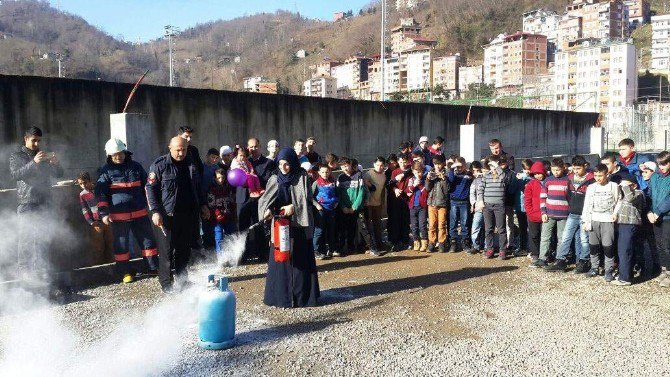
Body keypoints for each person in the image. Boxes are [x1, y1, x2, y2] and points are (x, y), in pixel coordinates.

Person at [147, 136, 210, 293]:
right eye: (178, 150)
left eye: (184, 149)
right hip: (167, 215)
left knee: (184, 250)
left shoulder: (191, 164)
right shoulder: (159, 165)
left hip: (188, 214)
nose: (181, 153)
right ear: (170, 148)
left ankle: (182, 280)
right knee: (167, 251)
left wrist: (203, 205)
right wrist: (155, 211)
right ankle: (166, 284)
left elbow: (198, 187)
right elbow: (150, 190)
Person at [258, 147, 320, 308]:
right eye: (280, 164)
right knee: (280, 261)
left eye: (287, 164)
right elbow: (264, 201)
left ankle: (302, 298)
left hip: (298, 227)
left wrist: (294, 207)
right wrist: (267, 211)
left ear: (293, 163)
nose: (283, 167)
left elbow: (307, 201)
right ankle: (279, 297)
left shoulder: (302, 178)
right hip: (280, 228)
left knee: (300, 262)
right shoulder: (274, 179)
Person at [9, 126, 66, 299]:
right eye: (34, 140)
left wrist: (56, 164)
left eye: (39, 140)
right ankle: (24, 282)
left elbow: (59, 174)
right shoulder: (16, 156)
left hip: (45, 204)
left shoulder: (42, 155)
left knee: (43, 242)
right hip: (27, 203)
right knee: (25, 242)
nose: (36, 143)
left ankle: (45, 281)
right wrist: (34, 163)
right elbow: (15, 175)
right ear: (25, 138)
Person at [96, 138, 159, 284]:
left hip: (139, 213)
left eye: (120, 153)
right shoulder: (105, 171)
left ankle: (152, 267)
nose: (118, 157)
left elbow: (147, 187)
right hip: (119, 217)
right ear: (109, 156)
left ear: (125, 152)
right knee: (121, 247)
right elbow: (101, 194)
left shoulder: (136, 167)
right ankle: (125, 273)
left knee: (148, 242)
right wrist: (104, 214)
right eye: (115, 155)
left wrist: (153, 207)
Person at [545, 156, 594, 273]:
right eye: (574, 168)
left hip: (585, 215)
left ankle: (583, 261)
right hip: (572, 213)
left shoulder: (591, 179)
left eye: (578, 168)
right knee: (566, 237)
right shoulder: (570, 178)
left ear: (585, 166)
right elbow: (568, 194)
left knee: (583, 239)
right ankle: (561, 261)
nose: (576, 171)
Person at [236, 138, 277, 261]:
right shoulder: (242, 161)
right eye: (250, 147)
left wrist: (252, 179)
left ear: (260, 147)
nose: (253, 149)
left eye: (255, 146)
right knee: (242, 228)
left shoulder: (268, 163)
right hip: (243, 198)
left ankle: (262, 255)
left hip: (259, 199)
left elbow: (268, 181)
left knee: (259, 226)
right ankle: (242, 256)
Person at [582, 163, 621, 281]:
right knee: (593, 246)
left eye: (600, 175)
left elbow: (618, 200)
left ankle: (608, 269)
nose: (598, 178)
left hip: (607, 220)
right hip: (594, 219)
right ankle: (594, 267)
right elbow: (587, 204)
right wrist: (586, 221)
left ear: (607, 174)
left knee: (608, 246)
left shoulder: (613, 186)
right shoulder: (591, 187)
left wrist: (615, 213)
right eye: (595, 175)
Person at [533, 158, 570, 268]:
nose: (556, 172)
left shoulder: (568, 180)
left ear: (563, 168)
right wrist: (543, 212)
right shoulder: (547, 181)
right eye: (554, 170)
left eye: (558, 170)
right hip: (549, 214)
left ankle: (559, 258)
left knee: (562, 238)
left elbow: (570, 197)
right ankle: (542, 258)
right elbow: (543, 197)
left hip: (563, 214)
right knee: (545, 236)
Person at [612, 173, 646, 286]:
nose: (623, 187)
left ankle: (625, 278)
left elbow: (631, 198)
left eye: (626, 186)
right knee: (623, 250)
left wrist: (625, 187)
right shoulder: (624, 194)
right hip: (622, 224)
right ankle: (626, 275)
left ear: (634, 185)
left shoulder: (639, 193)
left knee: (625, 250)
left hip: (631, 224)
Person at [477, 155, 510, 259]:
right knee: (489, 229)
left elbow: (504, 178)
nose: (493, 167)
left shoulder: (502, 175)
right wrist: (481, 201)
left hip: (499, 206)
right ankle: (490, 249)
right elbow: (480, 189)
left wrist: (497, 167)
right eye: (491, 165)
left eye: (495, 165)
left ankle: (502, 250)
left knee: (501, 229)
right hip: (487, 206)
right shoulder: (486, 176)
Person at [77, 171, 113, 265]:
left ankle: (112, 264)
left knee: (110, 243)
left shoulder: (99, 189)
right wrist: (91, 222)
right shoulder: (82, 194)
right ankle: (99, 267)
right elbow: (84, 209)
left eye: (85, 182)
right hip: (96, 223)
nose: (83, 185)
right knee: (98, 246)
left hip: (107, 220)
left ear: (90, 181)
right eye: (80, 184)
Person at [647, 151, 670, 287]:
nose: (661, 167)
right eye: (659, 164)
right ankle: (663, 270)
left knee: (667, 245)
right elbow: (649, 195)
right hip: (655, 216)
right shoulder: (654, 177)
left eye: (665, 164)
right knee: (659, 244)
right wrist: (649, 211)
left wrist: (658, 211)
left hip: (667, 216)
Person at [336, 157, 366, 256]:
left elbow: (361, 192)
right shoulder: (340, 178)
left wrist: (354, 206)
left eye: (346, 165)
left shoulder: (359, 175)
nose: (345, 168)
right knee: (342, 229)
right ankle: (341, 248)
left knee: (352, 229)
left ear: (350, 165)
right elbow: (338, 194)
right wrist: (343, 207)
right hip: (344, 209)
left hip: (354, 209)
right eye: (342, 166)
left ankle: (351, 247)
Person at [312, 163, 339, 259]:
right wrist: (317, 205)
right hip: (321, 210)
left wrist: (336, 202)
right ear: (319, 172)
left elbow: (337, 194)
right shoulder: (316, 183)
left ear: (330, 171)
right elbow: (310, 197)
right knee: (319, 231)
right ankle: (316, 251)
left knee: (331, 230)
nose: (325, 174)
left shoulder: (333, 182)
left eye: (327, 172)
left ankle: (332, 249)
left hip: (331, 209)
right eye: (322, 172)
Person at [208, 168, 236, 256]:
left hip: (228, 215)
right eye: (218, 178)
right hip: (217, 218)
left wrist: (233, 213)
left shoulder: (228, 187)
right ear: (215, 178)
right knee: (219, 237)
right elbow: (211, 204)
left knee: (230, 236)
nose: (221, 180)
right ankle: (220, 257)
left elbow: (232, 201)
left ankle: (230, 255)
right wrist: (217, 214)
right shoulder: (211, 189)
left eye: (223, 178)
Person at [388, 153, 412, 251]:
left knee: (406, 220)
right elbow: (391, 184)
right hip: (397, 199)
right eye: (401, 162)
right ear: (398, 162)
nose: (403, 164)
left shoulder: (411, 171)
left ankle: (405, 240)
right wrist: (395, 190)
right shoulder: (395, 172)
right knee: (396, 220)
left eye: (405, 162)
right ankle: (395, 241)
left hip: (407, 199)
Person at [447, 157, 472, 252]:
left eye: (461, 166)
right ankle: (453, 242)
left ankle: (465, 241)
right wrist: (453, 167)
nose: (459, 168)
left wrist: (467, 172)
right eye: (458, 166)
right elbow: (450, 180)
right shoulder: (453, 174)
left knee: (464, 223)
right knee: (453, 223)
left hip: (464, 202)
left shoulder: (468, 175)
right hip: (454, 201)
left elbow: (472, 177)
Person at [364, 157, 388, 254]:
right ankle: (369, 245)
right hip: (368, 204)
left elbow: (382, 191)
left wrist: (382, 203)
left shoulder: (383, 176)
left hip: (378, 203)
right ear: (374, 164)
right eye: (378, 165)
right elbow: (364, 187)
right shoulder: (368, 174)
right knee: (367, 225)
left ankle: (379, 243)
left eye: (382, 165)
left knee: (377, 224)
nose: (379, 167)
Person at [524, 161, 546, 264]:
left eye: (539, 173)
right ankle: (535, 253)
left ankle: (545, 254)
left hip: (545, 214)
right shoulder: (530, 184)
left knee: (545, 236)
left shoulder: (548, 182)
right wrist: (529, 212)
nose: (538, 175)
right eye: (535, 174)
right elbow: (527, 200)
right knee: (533, 235)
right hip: (533, 214)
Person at [426, 154, 449, 253]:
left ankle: (442, 243)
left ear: (443, 164)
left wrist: (443, 179)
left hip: (442, 203)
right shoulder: (431, 172)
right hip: (431, 203)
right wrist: (428, 179)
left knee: (442, 224)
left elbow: (447, 190)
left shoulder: (446, 173)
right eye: (436, 164)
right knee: (431, 224)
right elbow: (427, 188)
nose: (438, 166)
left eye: (439, 164)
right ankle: (431, 242)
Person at [511, 159, 532, 256]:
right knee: (522, 228)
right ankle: (523, 247)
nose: (527, 172)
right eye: (525, 169)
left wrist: (527, 177)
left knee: (532, 229)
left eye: (529, 169)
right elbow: (512, 189)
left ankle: (531, 248)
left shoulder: (532, 178)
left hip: (530, 208)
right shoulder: (518, 177)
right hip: (520, 206)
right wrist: (517, 180)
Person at [406, 161, 429, 251]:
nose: (418, 174)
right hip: (412, 206)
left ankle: (424, 242)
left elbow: (426, 191)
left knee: (422, 225)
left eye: (419, 172)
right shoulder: (411, 180)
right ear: (412, 171)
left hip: (422, 206)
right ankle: (416, 241)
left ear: (422, 171)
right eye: (416, 172)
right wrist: (414, 184)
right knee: (414, 225)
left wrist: (420, 185)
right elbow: (407, 190)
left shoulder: (425, 180)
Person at [202, 148, 221, 249]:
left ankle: (214, 244)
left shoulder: (217, 167)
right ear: (207, 156)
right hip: (204, 197)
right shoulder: (201, 167)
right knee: (205, 220)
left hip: (214, 197)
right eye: (212, 157)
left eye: (216, 158)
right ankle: (206, 244)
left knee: (214, 220)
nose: (214, 160)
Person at [468, 161, 485, 254]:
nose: (476, 173)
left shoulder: (486, 178)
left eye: (478, 170)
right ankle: (475, 245)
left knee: (487, 228)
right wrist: (473, 204)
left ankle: (487, 246)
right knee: (475, 227)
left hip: (488, 207)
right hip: (478, 208)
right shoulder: (474, 181)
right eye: (474, 171)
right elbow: (472, 194)